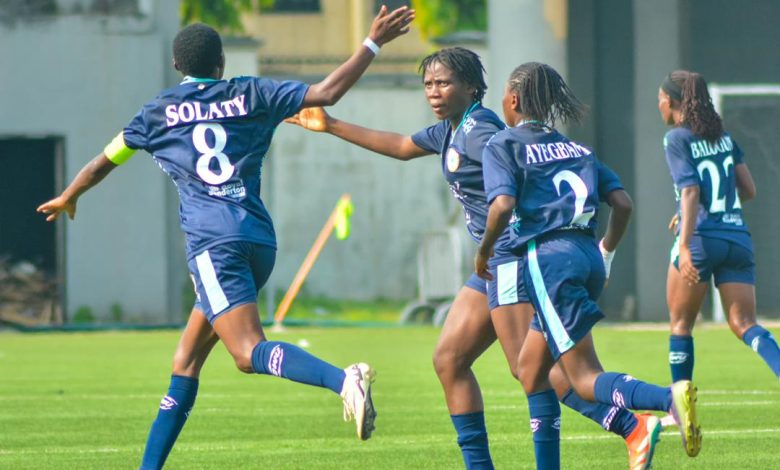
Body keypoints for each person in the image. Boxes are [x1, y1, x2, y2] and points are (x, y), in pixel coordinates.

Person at [37, 8, 415, 469]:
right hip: (258, 241)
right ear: (221, 64)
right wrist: (372, 42)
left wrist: (69, 195)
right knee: (186, 361)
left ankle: (344, 380)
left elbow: (105, 160)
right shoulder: (252, 92)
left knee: (246, 352)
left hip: (214, 246)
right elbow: (327, 93)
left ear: (178, 67)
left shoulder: (156, 113)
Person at [287, 48, 655, 470]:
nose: (434, 91)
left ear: (471, 88)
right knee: (450, 359)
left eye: (443, 83)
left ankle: (629, 425)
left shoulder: (484, 132)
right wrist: (331, 125)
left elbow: (517, 181)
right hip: (490, 267)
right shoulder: (451, 129)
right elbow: (403, 145)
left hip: (511, 260)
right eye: (428, 84)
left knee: (529, 372)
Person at [476, 62, 701, 470]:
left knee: (582, 377)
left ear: (511, 100)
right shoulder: (578, 149)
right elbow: (623, 203)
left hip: (548, 259)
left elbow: (503, 204)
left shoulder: (503, 144)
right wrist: (607, 252)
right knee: (531, 371)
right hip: (586, 254)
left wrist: (483, 251)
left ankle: (665, 400)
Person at [658, 70, 780, 386]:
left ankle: (681, 410)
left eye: (659, 99)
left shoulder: (676, 138)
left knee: (681, 325)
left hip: (700, 239)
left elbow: (690, 191)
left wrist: (684, 244)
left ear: (669, 101)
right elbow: (748, 189)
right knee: (744, 323)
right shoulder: (723, 137)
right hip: (736, 238)